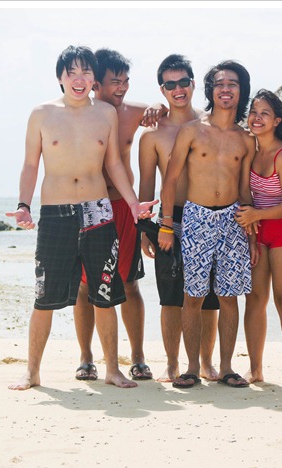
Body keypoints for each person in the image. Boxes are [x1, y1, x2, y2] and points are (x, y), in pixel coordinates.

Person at [6, 45, 157, 391]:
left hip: (98, 210)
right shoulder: (42, 114)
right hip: (56, 211)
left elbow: (114, 164)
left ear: (93, 79)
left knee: (105, 294)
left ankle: (113, 370)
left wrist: (133, 204)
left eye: (85, 72)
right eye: (71, 72)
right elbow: (30, 164)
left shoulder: (105, 113)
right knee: (45, 296)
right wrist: (24, 205)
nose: (79, 79)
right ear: (60, 77)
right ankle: (32, 371)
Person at [158, 60, 257, 389]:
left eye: (232, 84)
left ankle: (227, 367)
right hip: (196, 216)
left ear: (241, 91)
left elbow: (245, 190)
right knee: (193, 295)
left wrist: (251, 236)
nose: (225, 89)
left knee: (229, 297)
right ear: (211, 90)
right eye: (219, 83)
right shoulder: (192, 131)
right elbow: (170, 180)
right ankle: (191, 367)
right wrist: (166, 225)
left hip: (232, 218)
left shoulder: (246, 139)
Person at [72, 49, 166, 383]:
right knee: (85, 286)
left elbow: (167, 111)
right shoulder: (81, 113)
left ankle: (138, 357)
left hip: (124, 207)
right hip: (89, 206)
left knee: (129, 283)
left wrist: (158, 106)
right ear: (96, 83)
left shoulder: (131, 112)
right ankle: (86, 357)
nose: (123, 87)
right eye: (116, 81)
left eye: (126, 81)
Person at [138, 54, 220, 383]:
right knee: (170, 297)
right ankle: (172, 363)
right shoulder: (152, 136)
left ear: (193, 84)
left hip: (208, 215)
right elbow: (146, 186)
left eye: (183, 82)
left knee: (209, 299)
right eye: (170, 84)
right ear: (162, 89)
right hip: (169, 220)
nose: (178, 89)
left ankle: (206, 362)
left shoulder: (211, 123)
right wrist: (145, 230)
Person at [233, 89, 282, 387]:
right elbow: (246, 195)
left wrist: (256, 216)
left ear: (277, 121)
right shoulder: (250, 150)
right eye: (254, 112)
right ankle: (256, 369)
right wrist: (251, 234)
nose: (257, 117)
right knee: (254, 300)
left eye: (264, 113)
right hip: (257, 230)